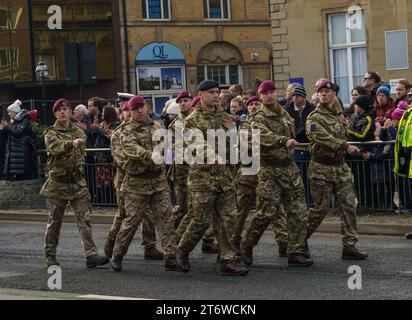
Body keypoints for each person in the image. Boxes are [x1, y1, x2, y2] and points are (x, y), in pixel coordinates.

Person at [176, 80, 249, 276]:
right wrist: (211, 155)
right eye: (211, 92)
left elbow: (235, 143)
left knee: (229, 219)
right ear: (200, 94)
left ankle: (227, 260)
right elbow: (195, 141)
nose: (216, 95)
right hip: (202, 178)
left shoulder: (226, 118)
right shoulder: (192, 120)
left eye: (217, 92)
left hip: (224, 178)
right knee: (201, 220)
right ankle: (182, 251)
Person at [240, 80, 313, 267]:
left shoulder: (285, 113)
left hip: (289, 168)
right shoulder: (258, 117)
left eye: (272, 92)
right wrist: (282, 141)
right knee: (266, 213)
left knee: (298, 211)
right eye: (266, 93)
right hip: (269, 170)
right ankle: (246, 246)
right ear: (261, 96)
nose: (270, 95)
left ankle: (295, 251)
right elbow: (261, 136)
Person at [110, 96, 178, 272]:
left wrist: (170, 160)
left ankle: (171, 256)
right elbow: (130, 149)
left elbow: (167, 149)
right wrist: (149, 155)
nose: (140, 110)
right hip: (136, 184)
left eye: (142, 107)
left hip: (157, 181)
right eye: (136, 108)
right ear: (130, 111)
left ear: (147, 108)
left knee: (166, 218)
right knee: (131, 221)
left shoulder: (157, 127)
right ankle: (117, 254)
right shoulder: (124, 131)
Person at [40, 98, 109, 268]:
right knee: (55, 222)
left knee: (84, 220)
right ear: (55, 113)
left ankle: (91, 255)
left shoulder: (79, 132)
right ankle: (50, 255)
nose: (63, 112)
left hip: (77, 183)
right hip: (58, 184)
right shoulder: (50, 132)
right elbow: (53, 147)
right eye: (59, 109)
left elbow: (83, 149)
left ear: (70, 111)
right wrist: (71, 144)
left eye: (65, 108)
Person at [305, 81, 368, 260]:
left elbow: (345, 132)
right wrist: (344, 146)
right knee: (320, 209)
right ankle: (299, 241)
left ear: (334, 94)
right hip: (321, 167)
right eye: (321, 92)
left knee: (348, 206)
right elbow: (319, 136)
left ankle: (349, 246)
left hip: (340, 167)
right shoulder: (315, 117)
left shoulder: (339, 113)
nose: (324, 94)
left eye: (328, 91)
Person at [104, 100, 164, 261]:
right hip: (126, 181)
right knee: (125, 216)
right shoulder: (120, 133)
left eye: (141, 107)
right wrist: (149, 160)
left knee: (149, 215)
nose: (137, 111)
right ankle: (111, 245)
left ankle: (149, 247)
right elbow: (121, 160)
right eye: (126, 110)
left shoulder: (151, 128)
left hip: (148, 180)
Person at [231, 96, 289, 258]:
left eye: (257, 104)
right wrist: (266, 144)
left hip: (267, 172)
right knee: (241, 210)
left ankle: (283, 241)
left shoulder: (268, 121)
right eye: (251, 105)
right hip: (249, 172)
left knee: (275, 208)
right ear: (247, 108)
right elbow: (246, 144)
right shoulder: (245, 124)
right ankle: (234, 240)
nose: (254, 106)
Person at [170, 91, 218, 253]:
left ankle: (207, 239)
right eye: (180, 101)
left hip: (204, 168)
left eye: (186, 100)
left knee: (203, 207)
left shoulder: (202, 119)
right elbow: (173, 148)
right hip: (183, 170)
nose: (183, 103)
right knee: (184, 208)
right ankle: (173, 240)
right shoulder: (176, 125)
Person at [285, 84, 316, 206]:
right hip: (295, 146)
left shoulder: (311, 108)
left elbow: (314, 126)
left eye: (298, 95)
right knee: (297, 177)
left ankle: (311, 201)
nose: (295, 98)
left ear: (303, 97)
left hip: (309, 145)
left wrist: (307, 132)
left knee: (310, 177)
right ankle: (300, 202)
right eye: (293, 95)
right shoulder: (287, 109)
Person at [0, 100, 37, 180]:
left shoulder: (25, 120)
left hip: (23, 155)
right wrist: (3, 130)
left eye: (10, 112)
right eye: (8, 112)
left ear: (16, 111)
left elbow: (18, 133)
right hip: (15, 156)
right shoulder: (14, 122)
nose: (8, 114)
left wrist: (7, 126)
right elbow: (9, 135)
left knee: (24, 179)